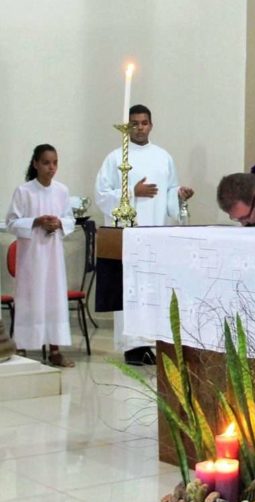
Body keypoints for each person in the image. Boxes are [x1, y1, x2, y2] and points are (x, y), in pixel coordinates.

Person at [95, 104, 195, 366]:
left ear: (152, 125)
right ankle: (132, 346)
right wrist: (130, 192)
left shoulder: (163, 157)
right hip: (129, 234)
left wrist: (179, 196)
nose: (140, 127)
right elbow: (102, 196)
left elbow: (170, 191)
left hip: (155, 233)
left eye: (144, 122)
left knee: (153, 287)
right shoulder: (115, 158)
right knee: (130, 285)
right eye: (135, 123)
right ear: (127, 126)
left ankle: (153, 342)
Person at [6, 145, 75, 367]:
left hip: (53, 257)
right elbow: (11, 222)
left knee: (53, 298)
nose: (51, 167)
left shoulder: (62, 190)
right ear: (35, 164)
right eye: (46, 163)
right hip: (31, 257)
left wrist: (58, 224)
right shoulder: (24, 191)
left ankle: (55, 350)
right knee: (30, 299)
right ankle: (23, 348)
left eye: (55, 162)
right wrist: (36, 221)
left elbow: (69, 219)